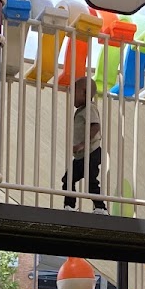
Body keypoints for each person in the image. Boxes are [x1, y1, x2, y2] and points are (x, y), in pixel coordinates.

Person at [62, 75, 107, 213]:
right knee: (68, 179)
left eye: (74, 92)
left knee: (91, 181)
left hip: (91, 152)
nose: (72, 97)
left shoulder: (89, 108)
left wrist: (82, 144)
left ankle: (100, 208)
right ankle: (69, 205)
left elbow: (95, 126)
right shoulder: (81, 110)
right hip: (82, 155)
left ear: (85, 93)